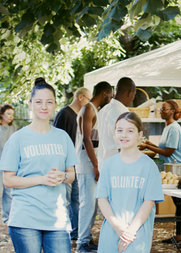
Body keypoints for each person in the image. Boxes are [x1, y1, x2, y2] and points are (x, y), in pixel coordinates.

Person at [0, 77, 79, 253]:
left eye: (49, 102)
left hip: (57, 219)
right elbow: (8, 180)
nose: (44, 106)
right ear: (30, 104)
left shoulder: (63, 137)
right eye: (39, 102)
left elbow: (71, 175)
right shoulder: (18, 139)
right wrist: (42, 179)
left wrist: (63, 176)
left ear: (55, 104)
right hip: (25, 219)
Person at [95, 112, 164, 253]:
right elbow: (102, 200)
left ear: (139, 134)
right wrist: (118, 228)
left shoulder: (149, 166)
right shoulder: (108, 165)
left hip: (136, 234)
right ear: (114, 133)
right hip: (112, 231)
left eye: (130, 131)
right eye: (119, 130)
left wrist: (129, 233)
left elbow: (149, 202)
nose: (124, 135)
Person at [138, 100, 181, 248]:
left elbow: (169, 151)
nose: (161, 111)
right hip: (173, 170)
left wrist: (148, 147)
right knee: (179, 205)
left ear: (172, 111)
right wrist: (147, 145)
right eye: (160, 109)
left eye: (164, 109)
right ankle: (179, 235)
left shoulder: (174, 128)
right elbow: (163, 148)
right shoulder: (167, 127)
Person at [75, 81, 113, 253]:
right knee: (87, 204)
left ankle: (87, 239)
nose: (111, 99)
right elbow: (86, 139)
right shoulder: (88, 108)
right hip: (86, 164)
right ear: (105, 93)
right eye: (111, 95)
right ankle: (82, 242)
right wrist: (96, 165)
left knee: (93, 205)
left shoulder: (95, 110)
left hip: (92, 163)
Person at [54, 87, 92, 241]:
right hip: (65, 164)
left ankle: (76, 232)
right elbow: (56, 138)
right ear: (81, 97)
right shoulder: (64, 113)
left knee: (76, 198)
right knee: (65, 199)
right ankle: (60, 231)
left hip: (76, 164)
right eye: (89, 99)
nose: (90, 104)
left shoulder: (81, 116)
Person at [97, 77, 136, 168]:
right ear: (130, 92)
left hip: (102, 164)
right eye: (134, 95)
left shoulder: (103, 110)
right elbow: (123, 146)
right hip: (117, 167)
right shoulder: (123, 113)